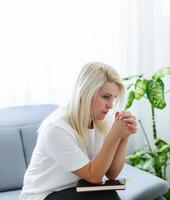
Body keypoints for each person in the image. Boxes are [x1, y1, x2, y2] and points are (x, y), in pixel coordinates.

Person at [19, 62, 137, 200]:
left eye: (114, 98)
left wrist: (123, 136)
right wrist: (113, 135)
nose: (110, 105)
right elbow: (94, 176)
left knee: (108, 195)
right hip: (44, 195)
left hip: (77, 189)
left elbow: (112, 174)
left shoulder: (103, 121)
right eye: (106, 97)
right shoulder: (56, 128)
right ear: (85, 92)